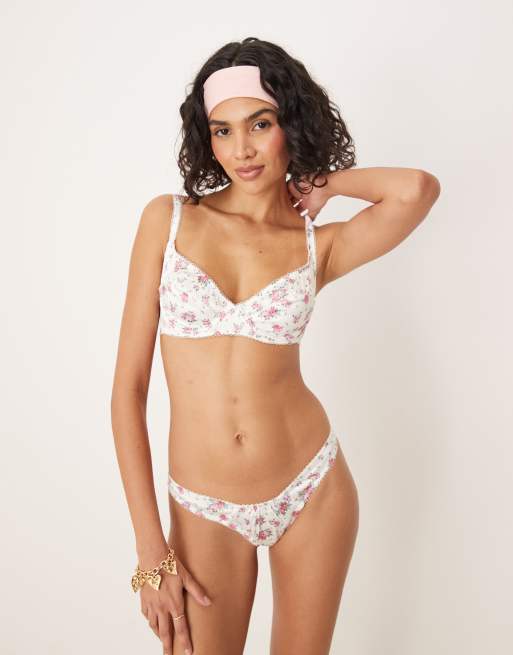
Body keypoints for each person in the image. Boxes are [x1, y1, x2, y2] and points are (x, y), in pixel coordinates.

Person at [110, 37, 441, 655]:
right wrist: (151, 552)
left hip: (311, 488)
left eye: (260, 124)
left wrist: (325, 182)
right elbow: (127, 392)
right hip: (204, 506)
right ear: (207, 139)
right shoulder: (169, 221)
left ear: (291, 122)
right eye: (223, 130)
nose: (242, 149)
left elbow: (417, 189)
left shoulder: (319, 246)